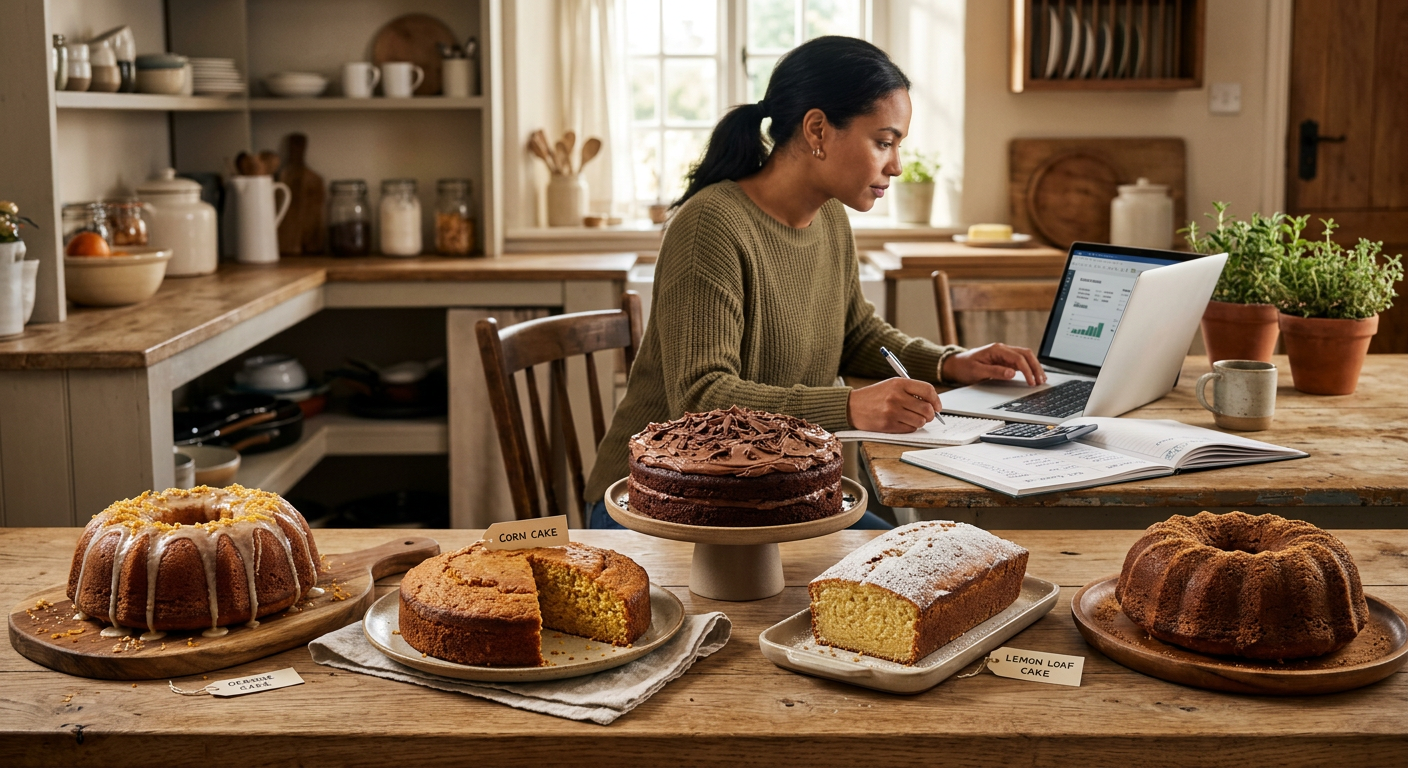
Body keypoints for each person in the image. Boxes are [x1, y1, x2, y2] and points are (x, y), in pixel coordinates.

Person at [582, 36, 1046, 528]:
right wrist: (849, 405)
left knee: (907, 553)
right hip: (658, 500)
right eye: (884, 142)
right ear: (818, 129)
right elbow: (702, 397)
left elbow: (858, 334)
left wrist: (951, 363)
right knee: (892, 566)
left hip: (773, 495)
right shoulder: (710, 226)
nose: (896, 166)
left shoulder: (830, 220)